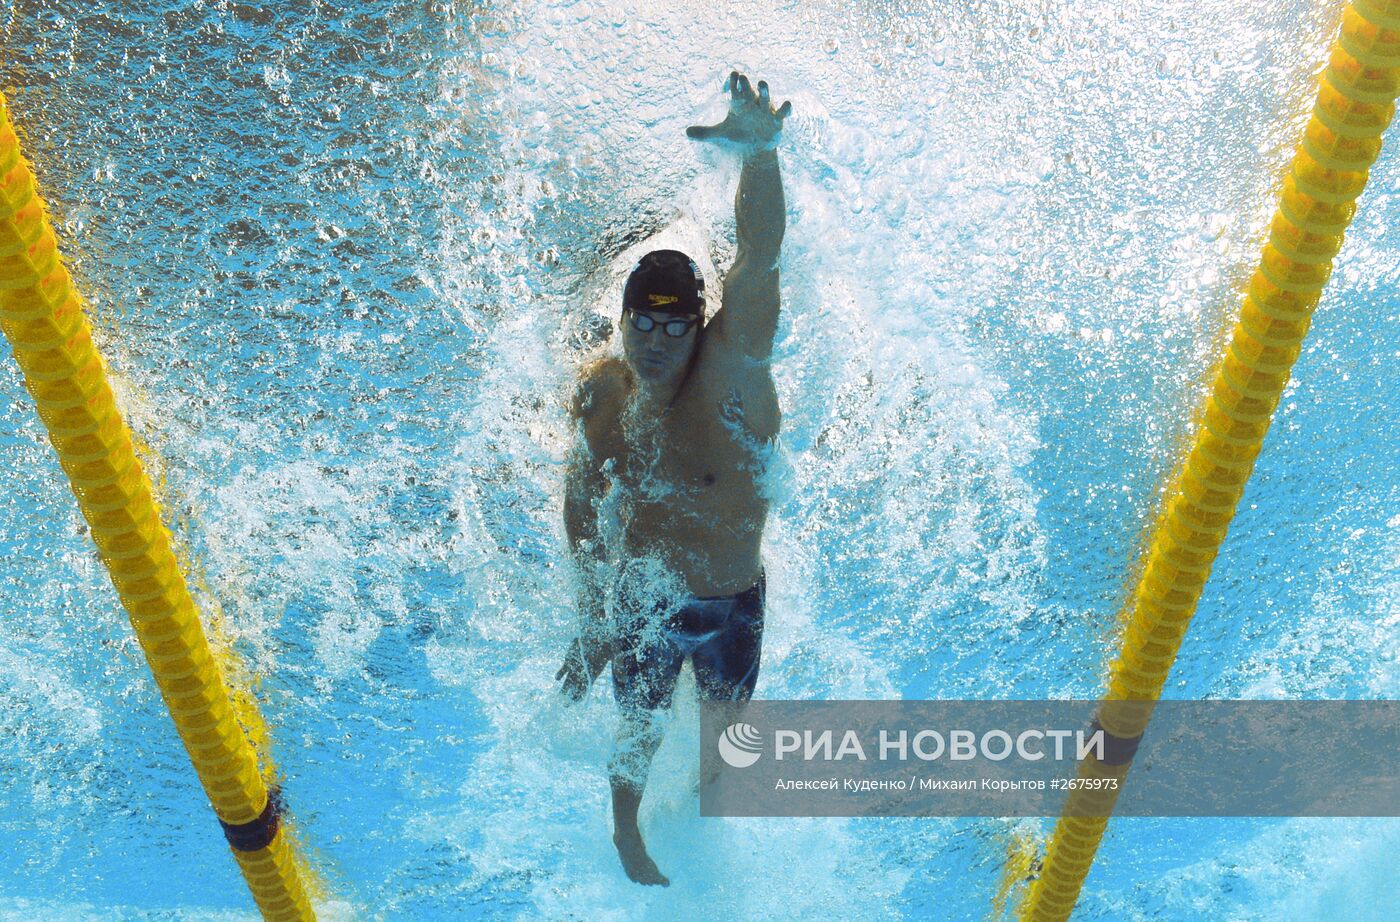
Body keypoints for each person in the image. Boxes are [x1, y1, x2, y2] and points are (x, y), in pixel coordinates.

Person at [554, 70, 792, 886]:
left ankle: (708, 806)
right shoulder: (603, 395)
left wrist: (759, 156)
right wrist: (591, 618)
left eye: (674, 326)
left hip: (731, 601)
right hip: (646, 594)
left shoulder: (729, 371)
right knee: (637, 729)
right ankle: (627, 836)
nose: (656, 342)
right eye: (641, 325)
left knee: (728, 735)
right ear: (622, 322)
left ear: (699, 326)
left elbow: (760, 261)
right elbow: (580, 506)